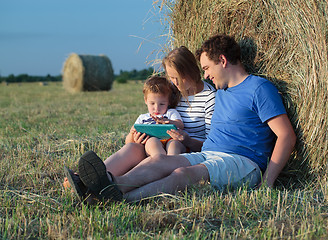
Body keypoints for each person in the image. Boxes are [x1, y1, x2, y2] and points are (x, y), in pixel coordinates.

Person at [73, 34, 296, 203]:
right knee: (160, 161)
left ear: (223, 60)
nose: (206, 74)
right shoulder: (221, 92)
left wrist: (267, 182)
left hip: (242, 161)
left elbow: (286, 135)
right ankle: (108, 185)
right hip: (208, 154)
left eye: (208, 68)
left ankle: (120, 199)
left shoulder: (259, 88)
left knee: (183, 174)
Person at [63, 46, 217, 201]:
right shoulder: (173, 91)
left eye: (178, 77)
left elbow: (212, 145)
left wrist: (186, 139)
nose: (174, 83)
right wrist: (135, 137)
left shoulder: (210, 97)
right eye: (171, 77)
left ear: (191, 71)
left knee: (165, 154)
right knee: (132, 146)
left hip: (183, 150)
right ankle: (87, 181)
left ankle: (106, 187)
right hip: (157, 143)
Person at [127, 76, 184, 156]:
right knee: (152, 142)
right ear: (146, 100)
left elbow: (181, 125)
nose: (157, 108)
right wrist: (131, 133)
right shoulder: (142, 118)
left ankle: (172, 161)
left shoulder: (170, 113)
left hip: (170, 139)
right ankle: (160, 161)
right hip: (151, 143)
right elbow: (128, 143)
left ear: (169, 102)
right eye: (152, 103)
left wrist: (168, 122)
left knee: (174, 144)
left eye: (162, 104)